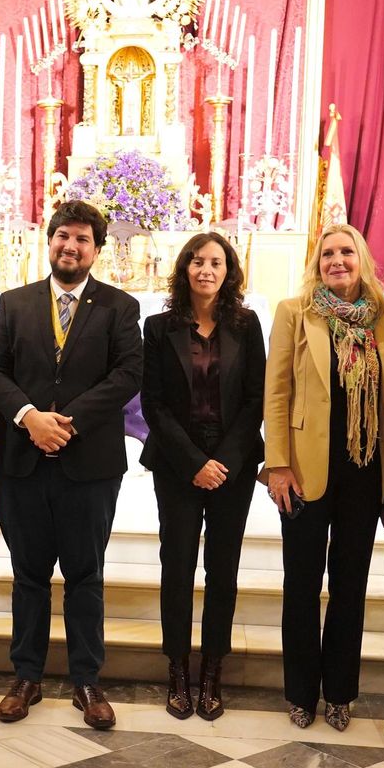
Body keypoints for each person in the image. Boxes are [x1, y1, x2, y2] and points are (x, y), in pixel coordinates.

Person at [0, 200, 143, 730]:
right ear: (48, 242)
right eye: (62, 236)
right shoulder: (15, 302)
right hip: (22, 461)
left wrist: (64, 422)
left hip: (88, 464)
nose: (70, 246)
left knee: (85, 575)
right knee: (28, 575)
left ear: (96, 250)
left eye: (81, 240)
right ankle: (25, 676)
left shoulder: (119, 307)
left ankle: (87, 681)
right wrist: (29, 417)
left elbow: (126, 375)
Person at [263, 223, 384, 731]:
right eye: (328, 254)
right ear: (316, 263)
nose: (337, 261)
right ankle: (301, 693)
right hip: (302, 469)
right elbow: (276, 392)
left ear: (362, 260)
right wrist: (277, 464)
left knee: (351, 585)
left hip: (365, 469)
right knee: (300, 582)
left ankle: (340, 692)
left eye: (347, 252)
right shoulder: (295, 313)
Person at [139, 232, 264, 721]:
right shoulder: (158, 326)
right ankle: (177, 670)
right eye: (198, 261)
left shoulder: (247, 325)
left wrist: (224, 461)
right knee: (177, 567)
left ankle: (212, 671)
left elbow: (255, 398)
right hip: (177, 464)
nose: (206, 270)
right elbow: (154, 403)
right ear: (185, 268)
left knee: (222, 569)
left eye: (216, 262)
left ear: (228, 270)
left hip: (231, 465)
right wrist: (193, 462)